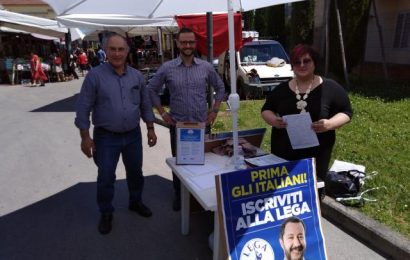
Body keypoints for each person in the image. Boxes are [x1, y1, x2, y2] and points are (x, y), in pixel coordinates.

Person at [75, 32, 157, 235]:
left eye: (121, 49)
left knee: (136, 172)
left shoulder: (137, 76)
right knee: (105, 176)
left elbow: (145, 104)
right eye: (113, 49)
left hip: (133, 135)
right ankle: (106, 212)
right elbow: (83, 107)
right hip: (105, 137)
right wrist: (85, 137)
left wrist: (150, 128)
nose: (117, 53)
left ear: (128, 51)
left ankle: (135, 201)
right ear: (105, 51)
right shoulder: (95, 76)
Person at [147, 27, 225, 211]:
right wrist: (163, 113)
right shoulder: (168, 68)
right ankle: (179, 195)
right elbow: (150, 89)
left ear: (195, 44)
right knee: (180, 163)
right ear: (177, 43)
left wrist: (214, 111)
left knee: (203, 162)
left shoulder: (205, 67)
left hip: (202, 125)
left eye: (191, 42)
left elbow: (221, 88)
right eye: (184, 42)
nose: (187, 45)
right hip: (178, 126)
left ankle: (201, 197)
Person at [261, 44, 353, 181]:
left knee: (314, 188)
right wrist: (274, 120)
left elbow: (346, 112)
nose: (302, 65)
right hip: (284, 151)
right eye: (297, 62)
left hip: (317, 153)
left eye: (307, 61)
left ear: (314, 62)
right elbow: (266, 109)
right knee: (284, 188)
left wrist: (330, 124)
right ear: (292, 65)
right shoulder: (281, 89)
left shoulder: (330, 87)